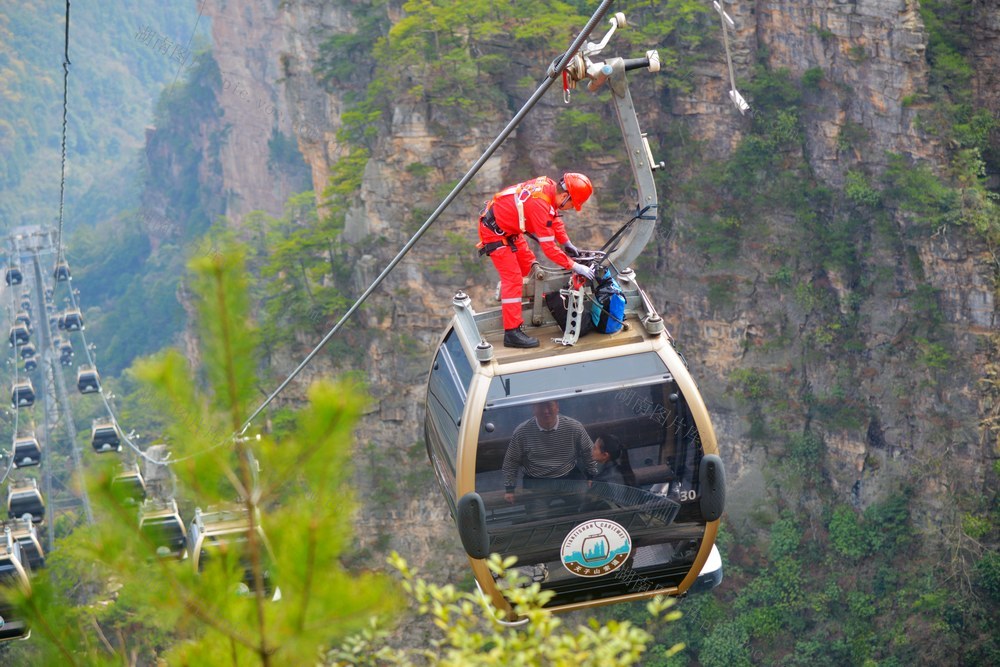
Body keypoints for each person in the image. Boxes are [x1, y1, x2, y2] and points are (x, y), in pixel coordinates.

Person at [477, 173, 596, 348]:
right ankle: (512, 333)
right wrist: (575, 266)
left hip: (509, 229)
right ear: (565, 196)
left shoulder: (548, 186)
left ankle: (545, 300)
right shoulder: (540, 205)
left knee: (532, 267)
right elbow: (549, 249)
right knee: (513, 279)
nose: (570, 208)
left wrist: (566, 243)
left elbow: (553, 218)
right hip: (494, 232)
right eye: (572, 204)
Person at [502, 400, 597, 504]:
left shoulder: (574, 427)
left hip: (568, 475)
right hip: (536, 481)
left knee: (584, 501)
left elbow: (589, 452)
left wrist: (592, 476)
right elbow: (511, 461)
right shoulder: (522, 432)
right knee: (537, 514)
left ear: (557, 407)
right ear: (533, 409)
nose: (546, 411)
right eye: (541, 407)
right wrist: (509, 489)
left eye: (549, 406)